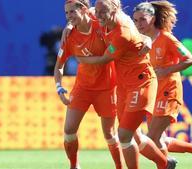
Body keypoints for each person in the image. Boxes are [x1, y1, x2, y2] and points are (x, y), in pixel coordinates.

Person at [76, 0, 177, 168]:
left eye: (104, 11)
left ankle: (164, 163)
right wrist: (68, 30)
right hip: (124, 85)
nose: (98, 15)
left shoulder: (121, 32)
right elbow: (82, 16)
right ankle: (165, 164)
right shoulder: (101, 15)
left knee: (123, 135)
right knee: (134, 136)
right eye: (97, 10)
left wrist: (81, 58)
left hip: (141, 82)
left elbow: (104, 59)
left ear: (115, 9)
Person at [133, 1, 192, 169]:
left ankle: (166, 165)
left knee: (151, 139)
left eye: (142, 20)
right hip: (153, 94)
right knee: (159, 139)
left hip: (169, 91)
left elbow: (189, 59)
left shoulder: (166, 38)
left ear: (152, 19)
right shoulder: (142, 40)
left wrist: (166, 70)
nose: (138, 24)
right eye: (136, 20)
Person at [54, 0, 122, 168]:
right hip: (83, 88)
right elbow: (58, 67)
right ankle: (74, 165)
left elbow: (112, 16)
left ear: (84, 10)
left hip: (107, 88)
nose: (69, 17)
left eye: (72, 12)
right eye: (66, 13)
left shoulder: (100, 22)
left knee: (110, 134)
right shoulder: (69, 36)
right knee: (69, 130)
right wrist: (59, 87)